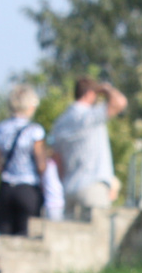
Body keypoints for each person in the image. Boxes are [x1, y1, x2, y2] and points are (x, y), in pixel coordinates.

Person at [49, 77, 127, 220]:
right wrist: (106, 89)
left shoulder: (60, 122)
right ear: (90, 94)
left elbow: (56, 159)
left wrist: (64, 182)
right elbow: (120, 102)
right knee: (98, 239)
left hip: (70, 188)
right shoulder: (89, 116)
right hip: (93, 186)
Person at [0, 84, 48, 236]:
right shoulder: (35, 130)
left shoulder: (1, 128)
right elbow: (41, 164)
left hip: (7, 187)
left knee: (4, 236)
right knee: (26, 236)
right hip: (28, 188)